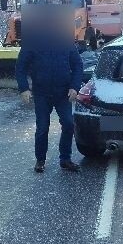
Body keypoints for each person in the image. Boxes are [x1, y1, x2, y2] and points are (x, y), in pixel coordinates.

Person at [15, 28, 83, 173]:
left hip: (63, 93)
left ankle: (65, 159)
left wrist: (74, 87)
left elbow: (77, 65)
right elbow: (20, 67)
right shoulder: (33, 42)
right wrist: (24, 88)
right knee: (42, 128)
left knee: (69, 123)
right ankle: (40, 160)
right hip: (41, 93)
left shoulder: (65, 41)